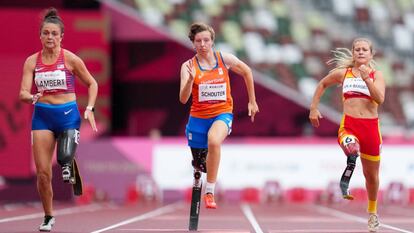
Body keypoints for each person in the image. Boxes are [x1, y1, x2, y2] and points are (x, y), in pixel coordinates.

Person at [18, 8, 98, 232]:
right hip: (42, 117)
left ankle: (67, 160)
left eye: (54, 33)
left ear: (61, 36)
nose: (50, 37)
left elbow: (92, 83)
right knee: (43, 173)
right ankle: (48, 215)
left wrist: (90, 108)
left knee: (63, 157)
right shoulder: (31, 62)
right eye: (46, 33)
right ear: (40, 36)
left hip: (67, 116)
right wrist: (31, 96)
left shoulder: (71, 59)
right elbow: (22, 92)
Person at [179, 22, 259, 209]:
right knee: (200, 165)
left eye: (206, 40)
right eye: (198, 41)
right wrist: (190, 80)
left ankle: (210, 191)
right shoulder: (188, 66)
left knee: (214, 141)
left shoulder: (224, 59)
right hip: (197, 120)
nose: (203, 44)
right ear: (193, 44)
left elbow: (247, 71)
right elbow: (183, 99)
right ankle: (200, 165)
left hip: (222, 114)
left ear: (212, 41)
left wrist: (252, 101)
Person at [309, 38, 385, 232]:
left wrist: (367, 78)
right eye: (357, 49)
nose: (360, 52)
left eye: (364, 50)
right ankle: (351, 156)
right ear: (353, 53)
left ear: (371, 54)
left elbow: (380, 99)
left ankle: (373, 213)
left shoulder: (377, 75)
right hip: (350, 126)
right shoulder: (344, 74)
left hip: (371, 129)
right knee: (351, 148)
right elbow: (322, 84)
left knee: (372, 176)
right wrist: (313, 108)